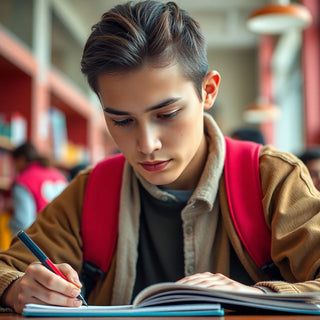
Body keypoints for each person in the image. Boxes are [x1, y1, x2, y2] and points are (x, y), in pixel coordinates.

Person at [0, 0, 320, 314]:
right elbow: (7, 269)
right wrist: (17, 288)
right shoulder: (91, 191)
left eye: (166, 114)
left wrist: (254, 295)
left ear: (208, 91)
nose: (147, 144)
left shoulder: (274, 179)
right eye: (122, 121)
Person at [8, 141, 68, 235]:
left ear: (21, 159)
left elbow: (23, 223)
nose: (14, 168)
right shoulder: (60, 176)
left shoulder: (24, 181)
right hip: (64, 242)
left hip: (38, 244)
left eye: (14, 163)